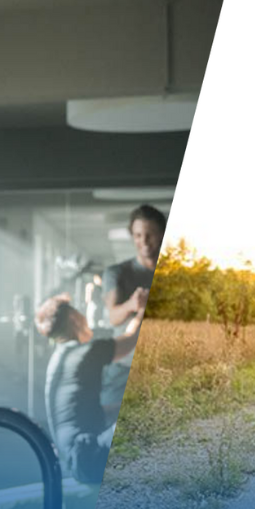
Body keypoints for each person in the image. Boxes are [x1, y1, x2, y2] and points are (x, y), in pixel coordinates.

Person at [35, 294, 144, 484]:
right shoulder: (85, 352)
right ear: (73, 319)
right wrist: (143, 309)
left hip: (78, 460)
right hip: (89, 458)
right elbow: (130, 340)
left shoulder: (59, 359)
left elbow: (88, 413)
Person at [100, 204, 165, 423]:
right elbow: (113, 317)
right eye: (138, 235)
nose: (144, 241)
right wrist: (131, 305)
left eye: (150, 235)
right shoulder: (117, 273)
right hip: (123, 370)